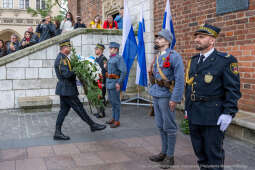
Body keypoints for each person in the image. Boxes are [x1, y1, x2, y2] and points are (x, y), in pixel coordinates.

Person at [185, 24, 241, 170]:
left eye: (201, 37)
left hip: (213, 115)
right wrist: (187, 108)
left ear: (212, 40)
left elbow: (232, 89)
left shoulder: (225, 60)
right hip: (194, 113)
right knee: (200, 153)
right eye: (196, 37)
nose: (197, 39)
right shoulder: (194, 60)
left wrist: (228, 113)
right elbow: (189, 86)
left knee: (213, 154)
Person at [54, 39, 106, 140]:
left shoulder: (64, 58)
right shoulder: (61, 59)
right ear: (64, 48)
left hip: (66, 90)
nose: (70, 49)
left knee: (63, 111)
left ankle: (57, 132)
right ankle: (92, 125)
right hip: (67, 90)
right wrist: (77, 68)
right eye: (69, 47)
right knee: (79, 108)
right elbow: (66, 74)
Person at [148, 29, 185, 169]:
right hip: (156, 94)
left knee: (169, 126)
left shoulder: (174, 56)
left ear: (167, 41)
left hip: (167, 96)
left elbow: (180, 80)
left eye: (160, 38)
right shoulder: (157, 56)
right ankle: (163, 152)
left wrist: (175, 98)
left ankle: (170, 156)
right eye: (157, 38)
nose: (157, 40)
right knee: (160, 124)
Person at [105, 42, 126, 128]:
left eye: (111, 48)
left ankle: (117, 120)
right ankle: (113, 118)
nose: (110, 50)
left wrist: (119, 83)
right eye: (110, 48)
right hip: (109, 83)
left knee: (116, 103)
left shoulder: (119, 58)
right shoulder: (110, 59)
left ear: (116, 49)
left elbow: (124, 71)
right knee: (112, 102)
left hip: (115, 83)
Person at [94, 43, 107, 118]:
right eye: (95, 49)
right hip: (97, 81)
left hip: (101, 81)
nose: (95, 50)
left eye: (97, 49)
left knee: (101, 96)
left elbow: (104, 71)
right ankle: (99, 112)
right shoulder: (96, 59)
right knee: (98, 96)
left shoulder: (104, 59)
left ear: (101, 50)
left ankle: (102, 113)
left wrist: (102, 82)